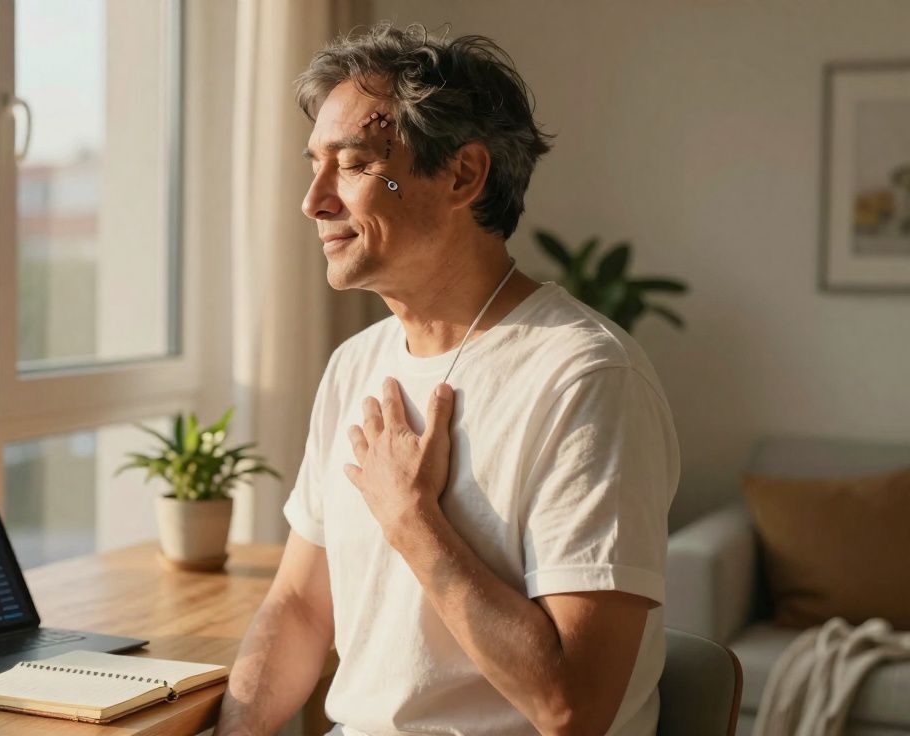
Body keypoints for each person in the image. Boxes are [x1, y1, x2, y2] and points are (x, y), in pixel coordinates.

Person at [215, 22, 680, 736]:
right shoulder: (355, 367)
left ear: (463, 174)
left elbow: (571, 707)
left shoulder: (587, 379)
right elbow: (303, 609)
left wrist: (412, 519)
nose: (313, 201)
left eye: (352, 163)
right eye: (314, 164)